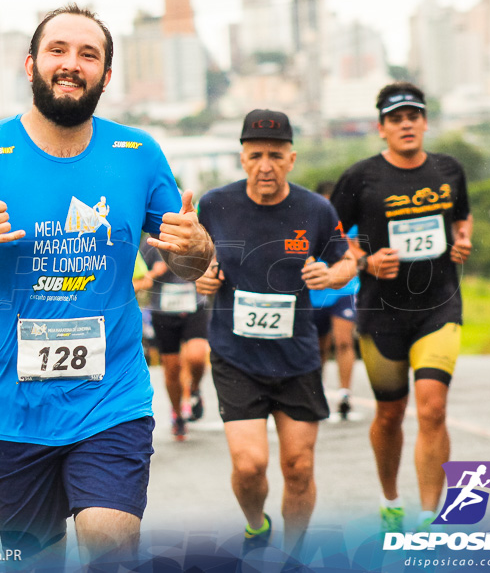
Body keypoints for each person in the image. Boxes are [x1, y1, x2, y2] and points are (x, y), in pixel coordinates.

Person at [0, 4, 214, 566]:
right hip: (11, 411)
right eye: (58, 50)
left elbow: (188, 263)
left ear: (106, 76)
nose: (71, 64)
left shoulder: (138, 154)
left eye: (88, 55)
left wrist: (198, 248)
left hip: (111, 402)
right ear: (30, 64)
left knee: (111, 546)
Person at [195, 109, 356, 554]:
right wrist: (201, 276)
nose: (265, 165)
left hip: (297, 358)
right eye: (256, 155)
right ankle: (254, 523)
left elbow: (347, 260)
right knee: (250, 465)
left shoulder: (315, 209)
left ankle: (294, 554)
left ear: (291, 158)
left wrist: (333, 275)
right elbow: (194, 261)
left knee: (298, 466)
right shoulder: (216, 204)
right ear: (242, 158)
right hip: (235, 354)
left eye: (275, 155)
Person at [329, 82, 473, 533]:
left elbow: (462, 217)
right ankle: (391, 497)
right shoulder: (361, 177)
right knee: (390, 412)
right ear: (382, 128)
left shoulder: (450, 170)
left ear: (425, 122)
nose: (406, 124)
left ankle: (432, 517)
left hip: (439, 306)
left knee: (432, 408)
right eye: (396, 118)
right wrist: (365, 259)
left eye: (413, 116)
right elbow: (332, 234)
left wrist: (464, 239)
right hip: (381, 311)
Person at [139, 236, 210, 441]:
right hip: (164, 311)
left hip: (194, 306)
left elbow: (212, 265)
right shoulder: (151, 242)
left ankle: (194, 389)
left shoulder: (196, 235)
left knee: (197, 356)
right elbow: (141, 278)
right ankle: (178, 414)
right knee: (171, 368)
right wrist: (156, 272)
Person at [309, 180, 361, 421]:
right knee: (319, 347)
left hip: (344, 290)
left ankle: (345, 394)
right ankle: (316, 394)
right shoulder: (308, 221)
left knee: (343, 341)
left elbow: (357, 252)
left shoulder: (347, 225)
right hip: (316, 292)